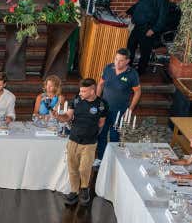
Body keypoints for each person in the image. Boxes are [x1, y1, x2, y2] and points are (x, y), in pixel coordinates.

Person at [60, 79, 108, 207]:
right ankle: (74, 191)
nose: (80, 93)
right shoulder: (76, 100)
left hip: (90, 142)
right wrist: (58, 116)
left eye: (83, 91)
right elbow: (68, 116)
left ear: (92, 91)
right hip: (73, 140)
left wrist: (92, 133)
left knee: (84, 168)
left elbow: (101, 123)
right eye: (80, 90)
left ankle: (85, 188)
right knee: (72, 168)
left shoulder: (102, 104)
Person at [96, 49, 141, 163]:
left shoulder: (132, 74)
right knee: (101, 134)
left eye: (121, 61)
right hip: (104, 109)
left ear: (127, 61)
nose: (117, 63)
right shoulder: (108, 68)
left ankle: (113, 160)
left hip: (119, 111)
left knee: (114, 136)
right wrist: (97, 100)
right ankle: (101, 158)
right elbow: (100, 84)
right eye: (116, 59)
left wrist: (130, 109)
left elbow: (137, 92)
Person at [125, 0, 170, 72]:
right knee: (130, 47)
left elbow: (163, 18)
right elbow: (138, 5)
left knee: (144, 52)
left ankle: (140, 71)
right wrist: (128, 12)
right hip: (137, 27)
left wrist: (153, 30)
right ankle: (127, 68)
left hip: (148, 29)